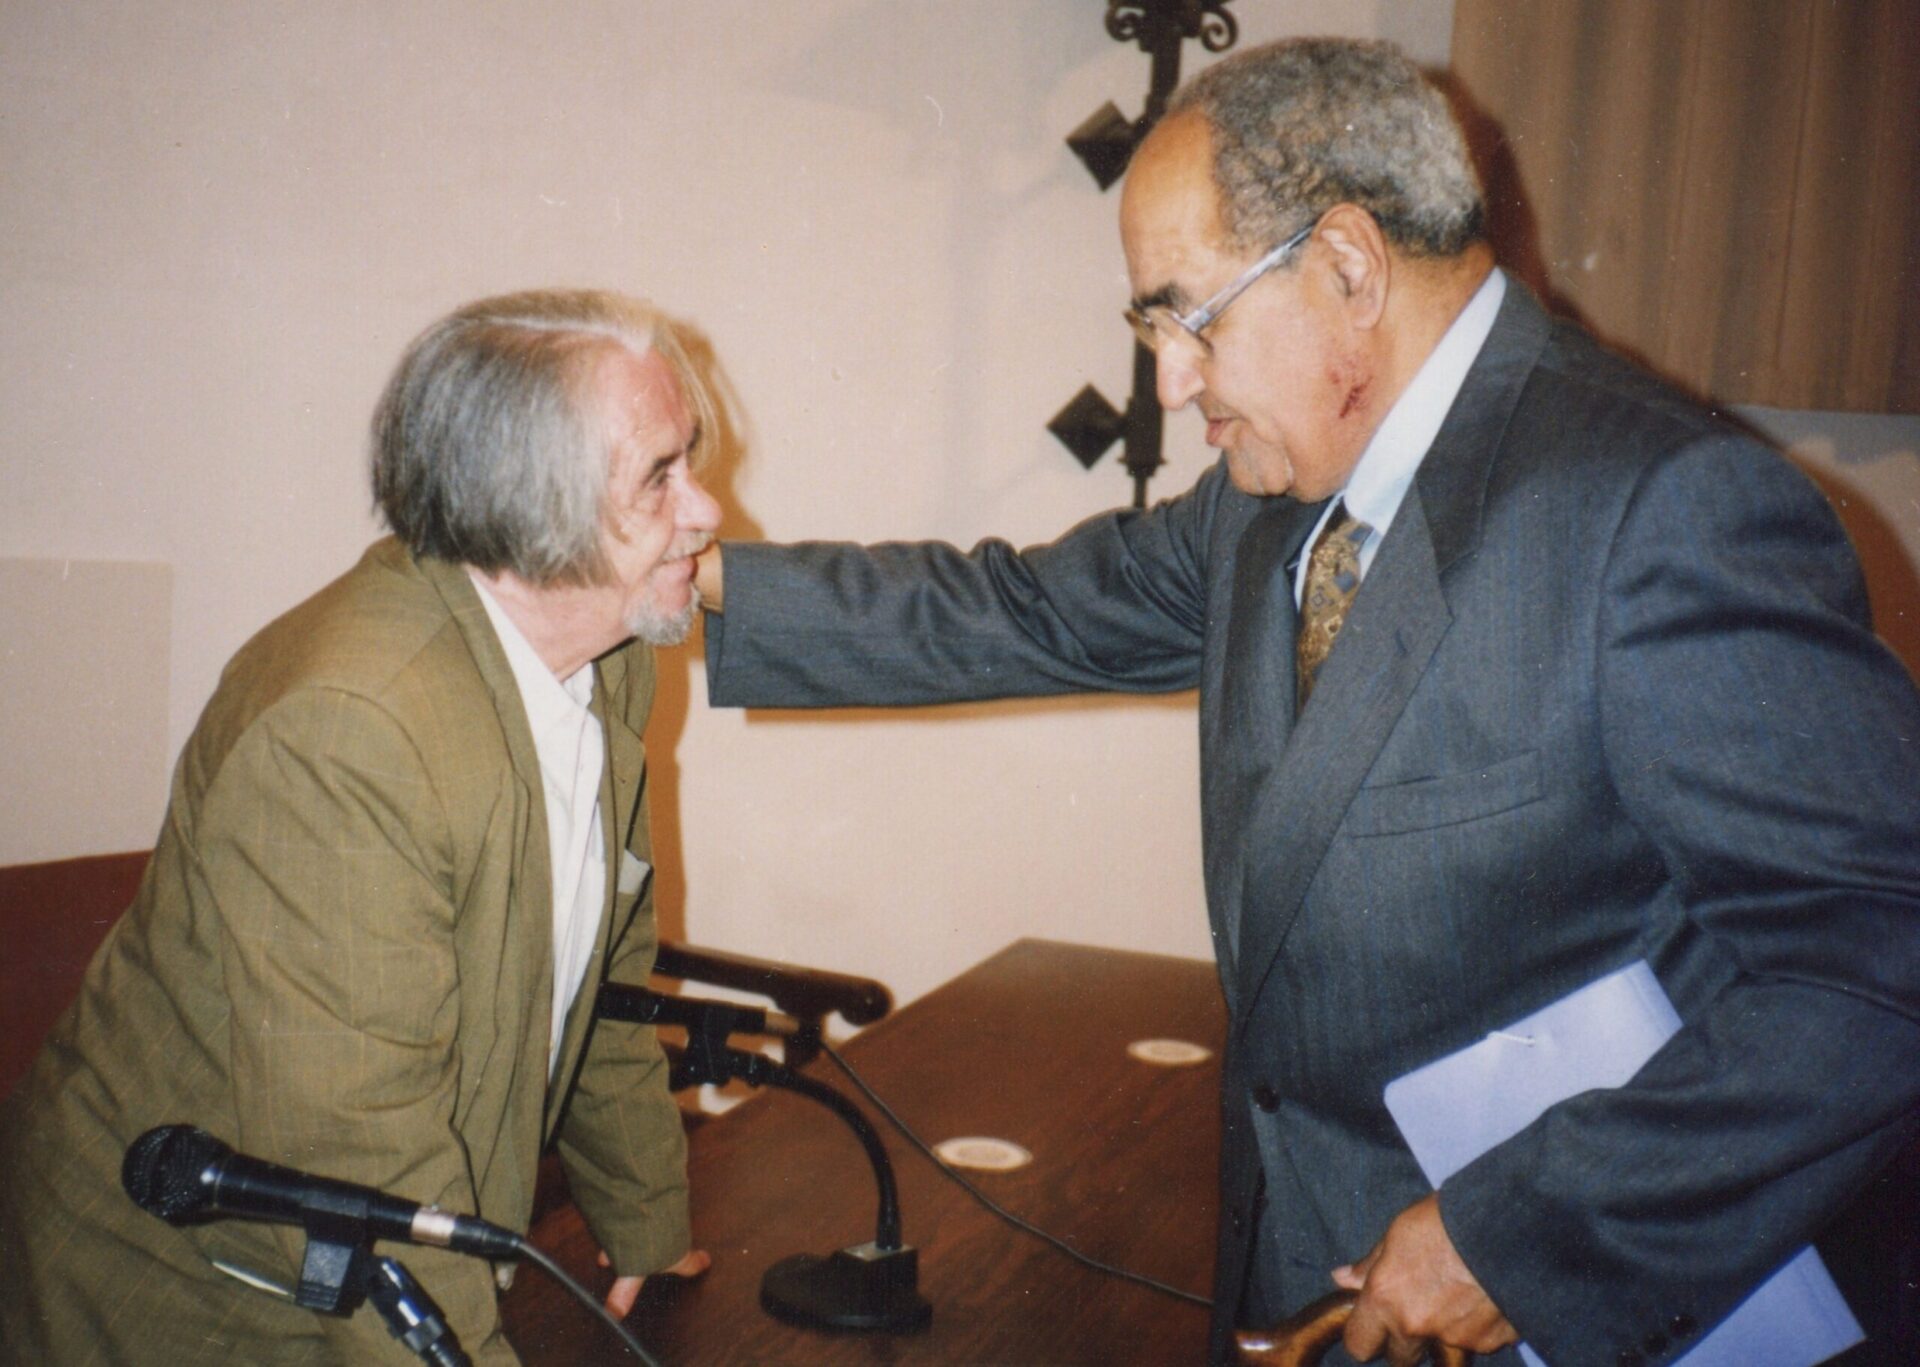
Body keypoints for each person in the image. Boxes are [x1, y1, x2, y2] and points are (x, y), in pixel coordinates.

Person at [694, 38, 1920, 1367]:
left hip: (1582, 1306)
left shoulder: (1655, 509)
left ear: (1346, 264)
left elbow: (1880, 959)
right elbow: (1022, 609)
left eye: (1184, 316)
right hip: (1314, 1278)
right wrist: (686, 577)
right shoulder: (1267, 509)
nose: (1170, 380)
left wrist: (1525, 1234)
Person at [0, 289, 720, 1363]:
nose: (707, 509)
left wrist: (648, 1227)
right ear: (529, 512)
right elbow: (362, 1162)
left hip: (357, 1256)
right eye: (660, 475)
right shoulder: (349, 733)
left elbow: (601, 987)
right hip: (186, 1291)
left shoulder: (607, 662)